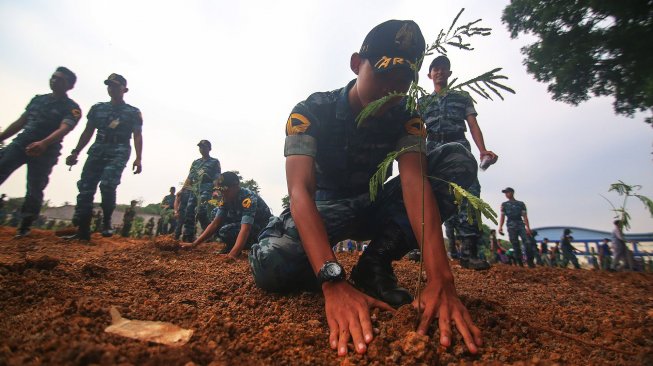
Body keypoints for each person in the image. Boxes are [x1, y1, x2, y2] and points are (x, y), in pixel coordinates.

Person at [248, 20, 482, 357]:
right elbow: (300, 192)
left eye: (403, 81)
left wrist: (440, 278)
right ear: (357, 63)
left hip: (373, 206)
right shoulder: (312, 112)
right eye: (384, 74)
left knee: (454, 161)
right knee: (271, 266)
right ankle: (321, 269)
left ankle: (375, 265)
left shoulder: (406, 117)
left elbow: (415, 185)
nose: (392, 90)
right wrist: (332, 279)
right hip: (324, 210)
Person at [418, 55, 496, 271]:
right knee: (428, 196)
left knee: (470, 195)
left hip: (459, 146)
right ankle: (420, 247)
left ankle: (469, 253)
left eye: (444, 68)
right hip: (433, 148)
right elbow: (415, 130)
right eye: (436, 69)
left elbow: (473, 124)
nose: (440, 72)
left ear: (449, 73)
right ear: (429, 74)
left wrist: (482, 150)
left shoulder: (462, 97)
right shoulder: (422, 102)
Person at [0, 67, 82, 238]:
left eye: (60, 79)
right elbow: (20, 122)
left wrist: (44, 143)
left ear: (69, 86)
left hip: (46, 150)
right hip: (21, 143)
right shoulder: (38, 100)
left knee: (35, 187)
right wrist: (2, 136)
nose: (54, 81)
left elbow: (64, 128)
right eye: (53, 77)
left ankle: (25, 226)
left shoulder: (72, 108)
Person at [63, 73, 143, 241]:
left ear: (124, 89)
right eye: (109, 85)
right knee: (86, 188)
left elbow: (137, 135)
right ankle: (82, 230)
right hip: (98, 148)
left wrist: (138, 158)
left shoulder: (132, 112)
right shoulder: (98, 109)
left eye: (115, 85)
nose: (111, 88)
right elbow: (88, 131)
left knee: (107, 184)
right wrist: (76, 151)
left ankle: (107, 220)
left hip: (119, 149)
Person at [182, 171, 272, 258]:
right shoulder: (226, 198)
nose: (223, 193)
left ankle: (242, 248)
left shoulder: (248, 198)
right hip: (245, 226)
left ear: (236, 186)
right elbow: (215, 223)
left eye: (226, 190)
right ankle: (231, 246)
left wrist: (232, 255)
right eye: (221, 190)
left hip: (262, 231)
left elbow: (246, 229)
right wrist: (194, 244)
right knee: (215, 213)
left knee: (225, 230)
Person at [179, 140, 221, 242]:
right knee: (189, 210)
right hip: (194, 189)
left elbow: (217, 177)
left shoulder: (214, 162)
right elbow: (189, 177)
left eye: (204, 147)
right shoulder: (196, 162)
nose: (202, 149)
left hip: (207, 188)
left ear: (209, 149)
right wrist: (183, 189)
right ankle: (188, 236)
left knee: (201, 211)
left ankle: (208, 232)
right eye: (200, 147)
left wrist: (216, 190)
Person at [498, 187, 534, 267]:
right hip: (510, 225)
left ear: (512, 192)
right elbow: (502, 216)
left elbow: (525, 216)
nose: (506, 194)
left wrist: (528, 228)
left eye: (507, 192)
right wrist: (500, 227)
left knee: (527, 242)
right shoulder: (504, 204)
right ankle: (520, 264)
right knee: (515, 244)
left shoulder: (521, 204)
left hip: (520, 224)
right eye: (505, 193)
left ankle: (530, 262)